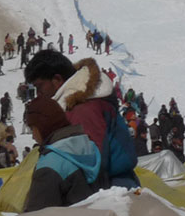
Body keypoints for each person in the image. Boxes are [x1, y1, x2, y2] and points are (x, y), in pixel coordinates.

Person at [24, 50, 138, 189]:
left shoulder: (83, 109)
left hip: (111, 190)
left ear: (57, 80)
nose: (38, 93)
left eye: (40, 86)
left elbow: (93, 163)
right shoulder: (79, 104)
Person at [21, 97, 102, 211]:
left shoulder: (50, 166)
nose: (33, 136)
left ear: (42, 127)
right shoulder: (89, 147)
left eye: (33, 128)